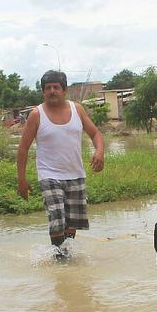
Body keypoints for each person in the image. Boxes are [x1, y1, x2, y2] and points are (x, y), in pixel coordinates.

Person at [17, 70, 105, 257]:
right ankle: (60, 260)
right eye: (47, 88)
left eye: (56, 87)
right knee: (57, 218)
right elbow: (23, 148)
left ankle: (65, 257)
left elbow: (96, 134)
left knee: (72, 223)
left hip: (76, 174)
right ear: (43, 92)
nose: (52, 91)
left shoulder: (77, 109)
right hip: (49, 175)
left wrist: (99, 152)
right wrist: (21, 180)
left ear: (64, 90)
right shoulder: (36, 114)